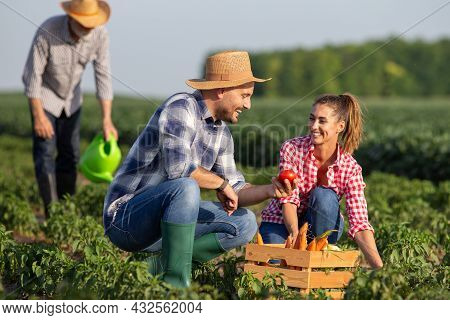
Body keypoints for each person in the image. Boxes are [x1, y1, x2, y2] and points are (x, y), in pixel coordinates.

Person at [103, 51, 297, 288]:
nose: (248, 104)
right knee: (184, 187)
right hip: (127, 219)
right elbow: (180, 170)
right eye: (244, 95)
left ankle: (154, 269)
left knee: (245, 222)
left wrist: (269, 190)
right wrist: (221, 184)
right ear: (221, 90)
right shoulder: (181, 108)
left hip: (164, 226)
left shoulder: (222, 133)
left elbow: (235, 188)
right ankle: (176, 287)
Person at [259, 93, 384, 269]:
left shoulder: (350, 168)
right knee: (276, 267)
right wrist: (296, 237)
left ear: (340, 126)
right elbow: (289, 198)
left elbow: (359, 222)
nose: (314, 126)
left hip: (319, 226)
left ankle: (319, 257)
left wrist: (380, 269)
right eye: (312, 119)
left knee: (324, 196)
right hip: (281, 221)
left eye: (322, 121)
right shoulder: (292, 149)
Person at [22, 0, 118, 216]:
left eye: (91, 23)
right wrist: (38, 117)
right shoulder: (48, 31)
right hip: (45, 97)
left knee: (71, 154)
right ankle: (52, 213)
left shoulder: (99, 35)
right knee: (45, 152)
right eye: (84, 24)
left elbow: (103, 76)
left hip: (72, 100)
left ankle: (66, 210)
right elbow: (32, 77)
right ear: (72, 18)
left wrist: (107, 119)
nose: (88, 28)